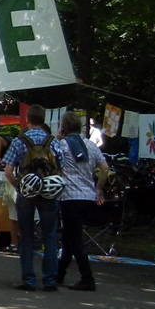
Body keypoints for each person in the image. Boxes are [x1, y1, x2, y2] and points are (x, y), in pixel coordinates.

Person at [3, 104, 65, 291]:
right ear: (44, 119)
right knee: (50, 236)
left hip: (27, 193)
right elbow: (61, 168)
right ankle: (50, 280)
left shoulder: (19, 141)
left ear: (27, 119)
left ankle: (29, 279)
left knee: (26, 235)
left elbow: (8, 171)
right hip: (48, 193)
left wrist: (19, 187)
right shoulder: (53, 142)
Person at [55, 111, 109, 291]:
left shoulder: (62, 145)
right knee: (69, 236)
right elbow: (105, 169)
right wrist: (98, 189)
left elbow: (54, 166)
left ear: (63, 128)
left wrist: (57, 138)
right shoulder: (91, 145)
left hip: (70, 197)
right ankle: (59, 274)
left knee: (74, 239)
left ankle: (87, 277)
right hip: (88, 196)